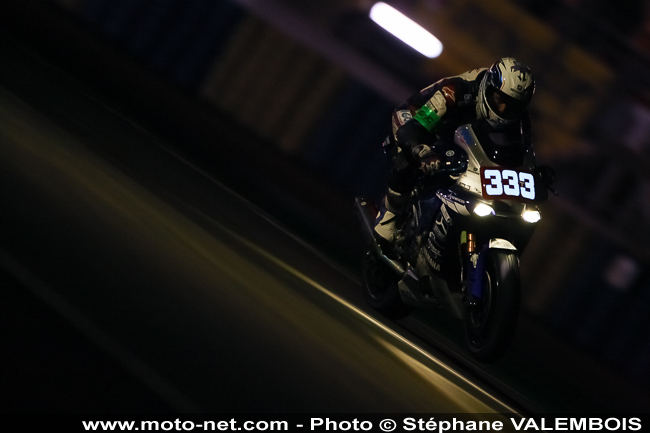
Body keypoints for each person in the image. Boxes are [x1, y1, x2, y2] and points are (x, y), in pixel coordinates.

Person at [374, 57, 536, 248]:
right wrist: (419, 149)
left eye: (513, 106)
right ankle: (388, 217)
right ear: (488, 88)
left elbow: (522, 151)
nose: (503, 109)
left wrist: (535, 172)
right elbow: (417, 126)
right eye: (500, 100)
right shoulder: (455, 91)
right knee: (409, 155)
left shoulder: (520, 118)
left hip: (463, 134)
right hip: (419, 118)